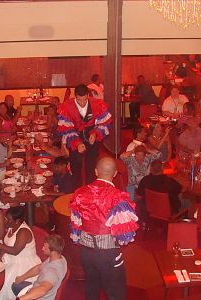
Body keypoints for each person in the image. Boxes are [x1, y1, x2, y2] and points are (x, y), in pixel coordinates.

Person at [70, 157, 138, 300]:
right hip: (108, 254)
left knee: (91, 287)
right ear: (115, 174)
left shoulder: (79, 193)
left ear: (96, 171)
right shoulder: (118, 197)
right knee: (115, 293)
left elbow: (75, 224)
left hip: (85, 253)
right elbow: (126, 233)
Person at [57, 84, 112, 188]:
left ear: (88, 95)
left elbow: (105, 123)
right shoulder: (67, 107)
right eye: (79, 100)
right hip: (75, 137)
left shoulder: (97, 104)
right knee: (75, 169)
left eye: (84, 100)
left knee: (91, 169)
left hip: (92, 138)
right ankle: (74, 194)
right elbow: (66, 129)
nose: (82, 103)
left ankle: (90, 194)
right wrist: (77, 143)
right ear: (75, 97)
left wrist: (96, 133)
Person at [0, 206, 41, 300]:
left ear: (17, 221)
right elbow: (6, 244)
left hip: (23, 263)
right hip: (10, 258)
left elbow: (15, 251)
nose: (6, 221)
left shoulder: (23, 231)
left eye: (8, 220)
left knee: (3, 281)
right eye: (6, 219)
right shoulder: (11, 227)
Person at [12, 234, 67, 300]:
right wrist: (21, 278)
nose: (42, 248)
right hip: (36, 287)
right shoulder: (59, 258)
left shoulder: (52, 272)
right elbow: (39, 268)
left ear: (53, 252)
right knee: (15, 285)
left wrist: (20, 299)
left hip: (38, 297)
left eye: (45, 247)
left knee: (14, 287)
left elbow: (43, 290)